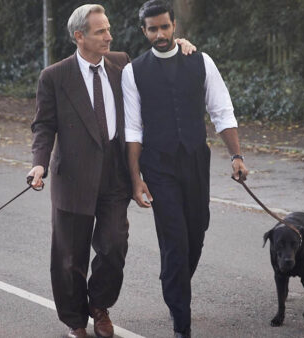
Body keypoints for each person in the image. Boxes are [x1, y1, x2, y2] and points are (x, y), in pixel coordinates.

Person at [27, 4, 195, 338]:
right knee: (69, 258)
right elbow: (44, 127)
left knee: (114, 246)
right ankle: (76, 320)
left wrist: (182, 48)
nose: (109, 36)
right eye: (101, 31)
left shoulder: (121, 63)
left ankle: (99, 306)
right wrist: (38, 164)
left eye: (108, 29)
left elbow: (157, 71)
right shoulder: (55, 77)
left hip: (114, 175)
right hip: (72, 178)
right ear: (80, 37)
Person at [122, 1, 249, 337]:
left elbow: (222, 110)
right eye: (153, 29)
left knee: (196, 232)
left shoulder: (201, 61)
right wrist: (136, 179)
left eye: (165, 27)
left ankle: (172, 280)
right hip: (158, 164)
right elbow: (133, 129)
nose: (160, 34)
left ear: (174, 25)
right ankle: (182, 322)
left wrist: (236, 156)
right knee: (176, 240)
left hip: (195, 159)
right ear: (144, 31)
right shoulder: (133, 71)